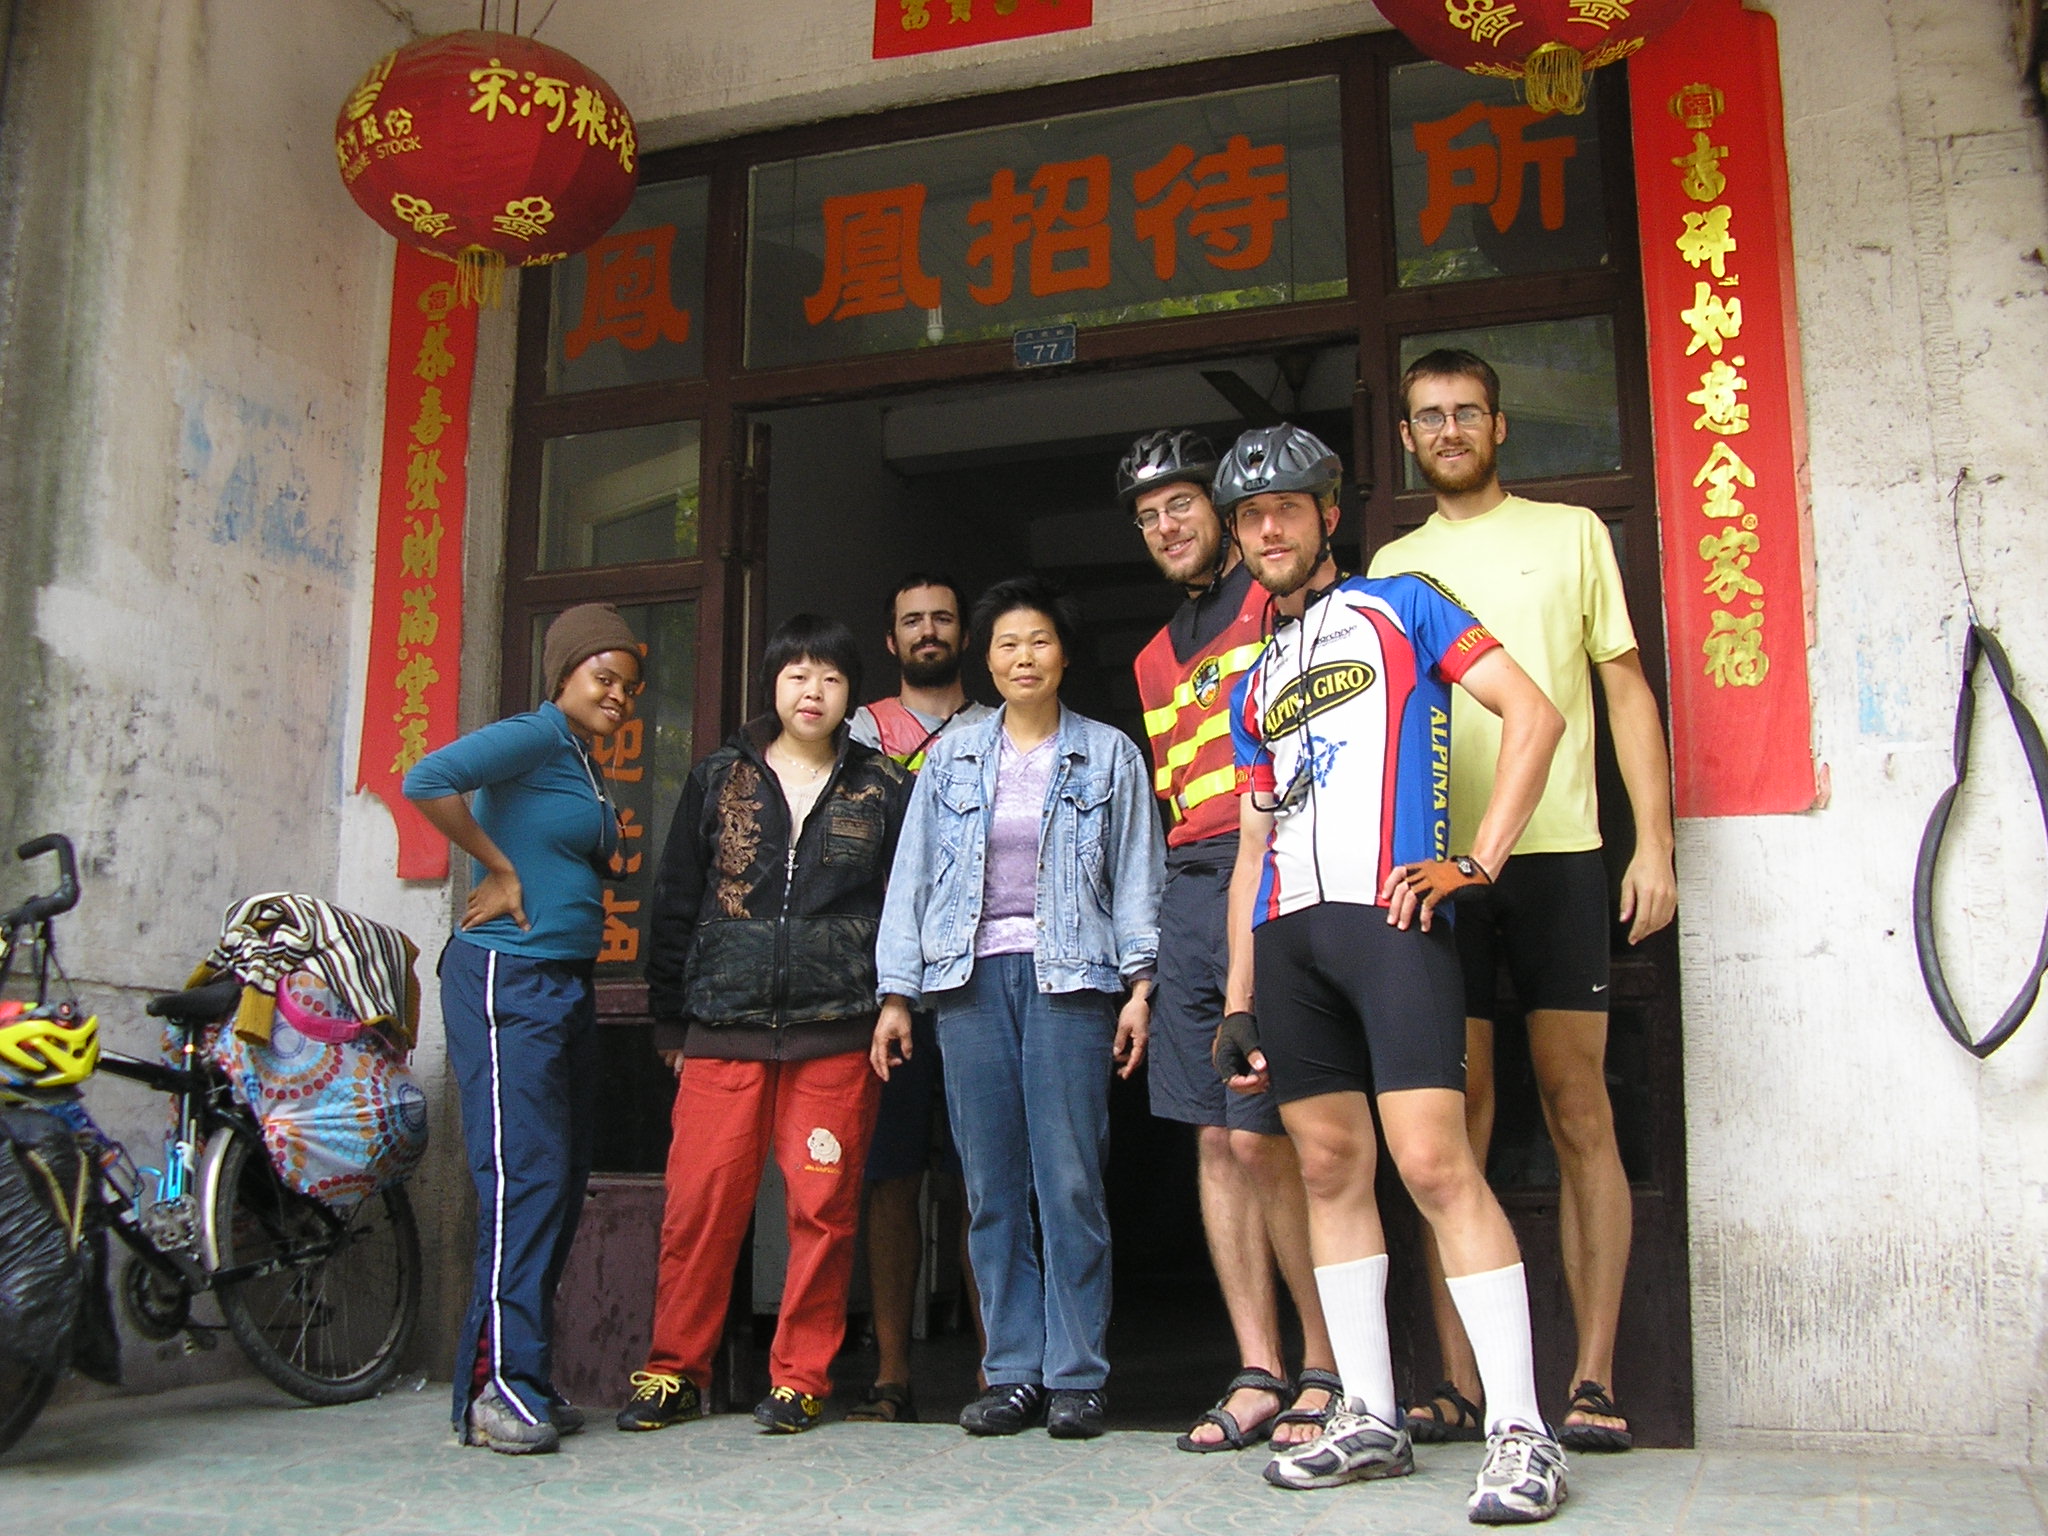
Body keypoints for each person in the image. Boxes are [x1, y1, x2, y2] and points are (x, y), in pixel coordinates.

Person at [1214, 423, 1573, 1523]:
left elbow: (1535, 713)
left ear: (1329, 514)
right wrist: (1234, 998)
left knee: (1430, 1163)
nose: (1266, 527)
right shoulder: (1250, 675)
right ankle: (1367, 1413)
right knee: (1326, 1170)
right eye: (1247, 516)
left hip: (1391, 918)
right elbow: (1250, 849)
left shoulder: (1402, 604)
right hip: (1288, 940)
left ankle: (1522, 1431)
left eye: (1287, 506)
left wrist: (1476, 860)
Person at [1370, 349, 1677, 1453]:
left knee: (1576, 1106)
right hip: (1432, 871)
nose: (1447, 429)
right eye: (1426, 417)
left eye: (1464, 412)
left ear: (1498, 426)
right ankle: (1456, 1383)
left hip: (1557, 857)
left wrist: (1655, 844)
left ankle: (1590, 1380)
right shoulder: (1389, 564)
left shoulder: (1571, 534)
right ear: (1405, 439)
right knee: (1452, 1118)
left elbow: (1624, 689)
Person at [873, 575, 1163, 1441]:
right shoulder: (953, 758)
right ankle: (1011, 1371)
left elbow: (1138, 876)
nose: (1022, 657)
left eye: (1037, 641)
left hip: (1072, 981)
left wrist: (1140, 985)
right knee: (991, 1186)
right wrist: (896, 993)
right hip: (966, 984)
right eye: (1005, 644)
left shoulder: (1108, 754)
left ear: (1064, 654)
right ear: (986, 659)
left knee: (1069, 1180)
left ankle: (1077, 1372)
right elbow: (912, 878)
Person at [615, 614, 911, 1437]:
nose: (811, 692)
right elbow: (675, 899)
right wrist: (669, 1020)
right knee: (701, 1205)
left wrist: (896, 998)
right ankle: (674, 1369)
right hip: (722, 1026)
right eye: (796, 675)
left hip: (837, 1029)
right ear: (772, 686)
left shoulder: (884, 785)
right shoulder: (717, 779)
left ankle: (800, 1377)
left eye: (830, 678)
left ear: (852, 696)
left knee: (823, 1210)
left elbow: (904, 908)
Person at [1117, 429, 1340, 1454]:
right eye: (1146, 515)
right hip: (1189, 885)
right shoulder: (1151, 655)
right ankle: (1255, 1365)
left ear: (1224, 509)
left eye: (1179, 504)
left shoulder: (1276, 599)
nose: (1165, 526)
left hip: (1280, 869)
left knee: (1265, 1130)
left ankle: (1324, 1364)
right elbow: (1172, 797)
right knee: (1210, 1135)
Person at [403, 602, 643, 1455]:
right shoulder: (536, 735)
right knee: (523, 1177)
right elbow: (427, 779)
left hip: (563, 983)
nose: (617, 693)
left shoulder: (582, 760)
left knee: (559, 1177)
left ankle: (519, 1378)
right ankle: (498, 1389)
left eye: (627, 683)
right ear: (564, 674)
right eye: (601, 677)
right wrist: (497, 867)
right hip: (508, 976)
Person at [845, 573, 992, 1423]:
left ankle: (997, 1369)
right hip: (886, 986)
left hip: (978, 978)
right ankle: (892, 1374)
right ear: (892, 641)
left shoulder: (1001, 723)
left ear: (963, 634)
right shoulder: (859, 729)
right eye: (912, 622)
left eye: (943, 617)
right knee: (889, 1179)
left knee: (985, 1178)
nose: (929, 631)